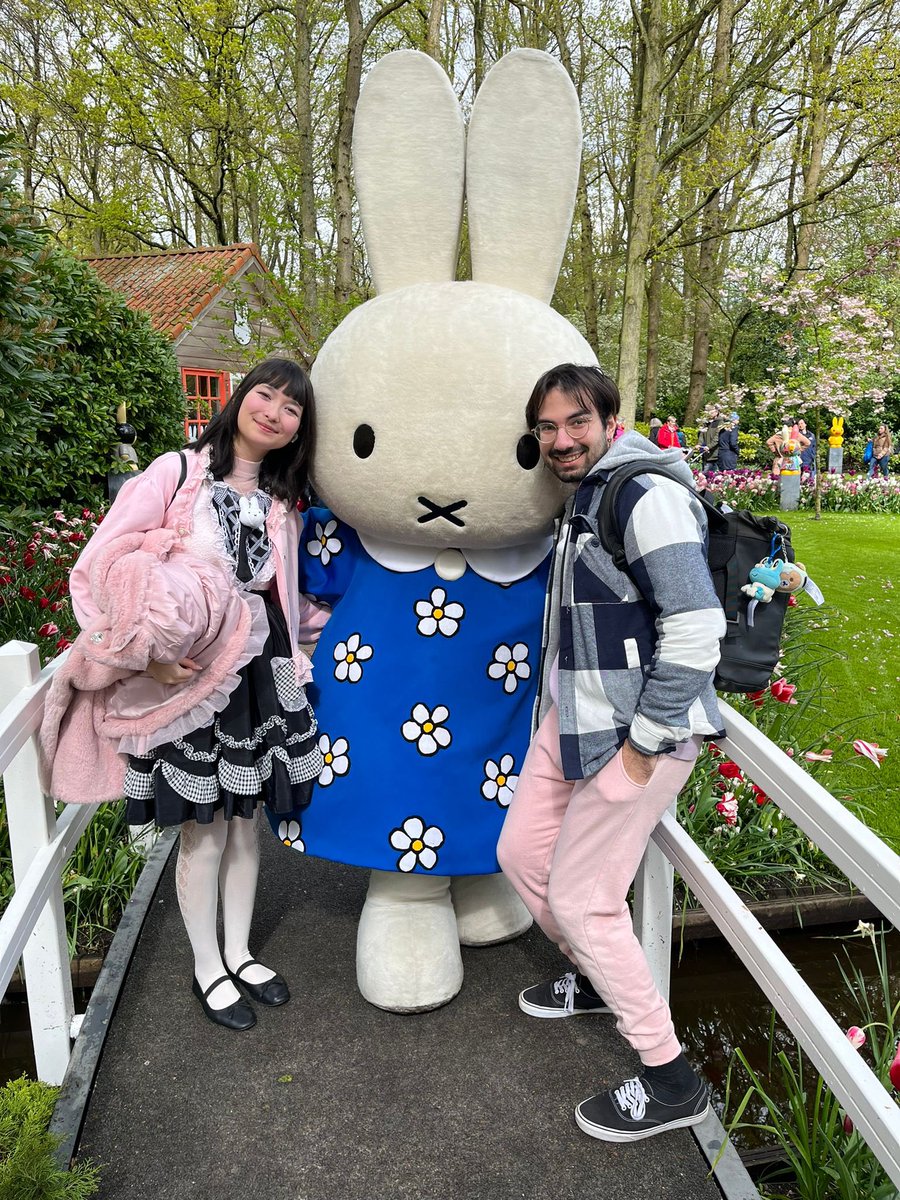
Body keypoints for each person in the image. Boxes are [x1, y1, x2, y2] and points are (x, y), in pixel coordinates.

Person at [498, 363, 725, 1142]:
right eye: (547, 428)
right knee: (521, 855)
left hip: (636, 739)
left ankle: (672, 1083)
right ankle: (599, 979)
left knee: (584, 901)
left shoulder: (645, 496)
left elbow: (696, 626)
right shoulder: (586, 495)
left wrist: (644, 746)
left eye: (576, 424)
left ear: (609, 419)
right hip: (572, 723)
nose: (561, 441)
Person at [68, 358, 327, 1031]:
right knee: (203, 829)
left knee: (248, 823)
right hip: (196, 676)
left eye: (291, 408)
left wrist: (313, 648)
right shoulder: (176, 473)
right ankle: (206, 965)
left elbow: (286, 597)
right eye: (265, 395)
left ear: (300, 428)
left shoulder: (280, 501)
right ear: (242, 398)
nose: (273, 411)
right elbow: (96, 569)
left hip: (261, 666)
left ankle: (239, 952)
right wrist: (143, 660)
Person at [699, 405, 726, 475]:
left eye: (711, 413)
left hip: (714, 454)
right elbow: (702, 434)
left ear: (716, 412)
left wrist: (709, 446)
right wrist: (699, 444)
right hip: (705, 454)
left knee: (708, 475)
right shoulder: (706, 422)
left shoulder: (720, 422)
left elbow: (717, 437)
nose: (709, 414)